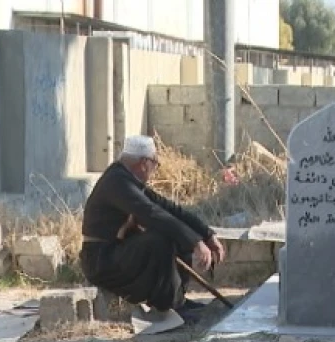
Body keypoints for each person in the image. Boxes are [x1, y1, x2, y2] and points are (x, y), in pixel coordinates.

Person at [79, 135, 226, 330]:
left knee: (174, 233)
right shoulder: (117, 183)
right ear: (143, 163)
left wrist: (206, 235)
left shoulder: (126, 179)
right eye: (155, 163)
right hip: (102, 260)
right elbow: (152, 214)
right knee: (161, 239)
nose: (155, 168)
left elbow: (169, 209)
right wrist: (195, 243)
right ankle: (169, 306)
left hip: (116, 252)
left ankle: (178, 301)